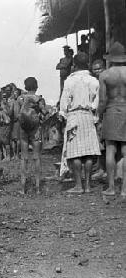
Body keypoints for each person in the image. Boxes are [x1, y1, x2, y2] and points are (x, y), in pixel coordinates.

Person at [59, 52, 101, 194]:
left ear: (74, 65)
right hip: (88, 115)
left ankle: (78, 185)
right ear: (87, 64)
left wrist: (63, 114)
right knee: (88, 152)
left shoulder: (69, 81)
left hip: (74, 115)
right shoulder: (94, 81)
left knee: (76, 152)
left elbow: (64, 102)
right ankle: (88, 186)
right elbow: (96, 102)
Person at [98, 42, 126, 199]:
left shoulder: (105, 75)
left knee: (110, 149)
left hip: (111, 111)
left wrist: (98, 115)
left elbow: (102, 100)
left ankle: (111, 187)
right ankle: (124, 190)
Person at [19, 77, 47, 194]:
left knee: (24, 157)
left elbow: (17, 113)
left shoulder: (21, 98)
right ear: (36, 86)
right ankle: (38, 188)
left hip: (23, 130)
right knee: (36, 157)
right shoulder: (39, 99)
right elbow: (45, 112)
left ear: (25, 87)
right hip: (35, 129)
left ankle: (23, 188)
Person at [90, 59, 107, 180]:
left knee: (104, 144)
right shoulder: (95, 82)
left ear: (104, 68)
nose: (97, 71)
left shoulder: (105, 81)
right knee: (99, 143)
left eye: (99, 69)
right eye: (95, 69)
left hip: (104, 114)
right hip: (98, 115)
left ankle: (103, 169)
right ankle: (100, 166)